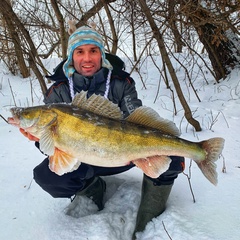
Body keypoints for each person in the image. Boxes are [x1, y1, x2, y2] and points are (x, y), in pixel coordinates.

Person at [21, 24, 184, 239]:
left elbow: (135, 115)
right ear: (71, 57)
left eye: (93, 51)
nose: (87, 58)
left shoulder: (121, 82)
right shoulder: (57, 92)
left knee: (173, 157)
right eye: (80, 52)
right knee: (47, 176)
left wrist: (138, 149)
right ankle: (91, 189)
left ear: (101, 54)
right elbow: (50, 146)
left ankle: (148, 220)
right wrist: (40, 140)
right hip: (83, 161)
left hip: (122, 156)